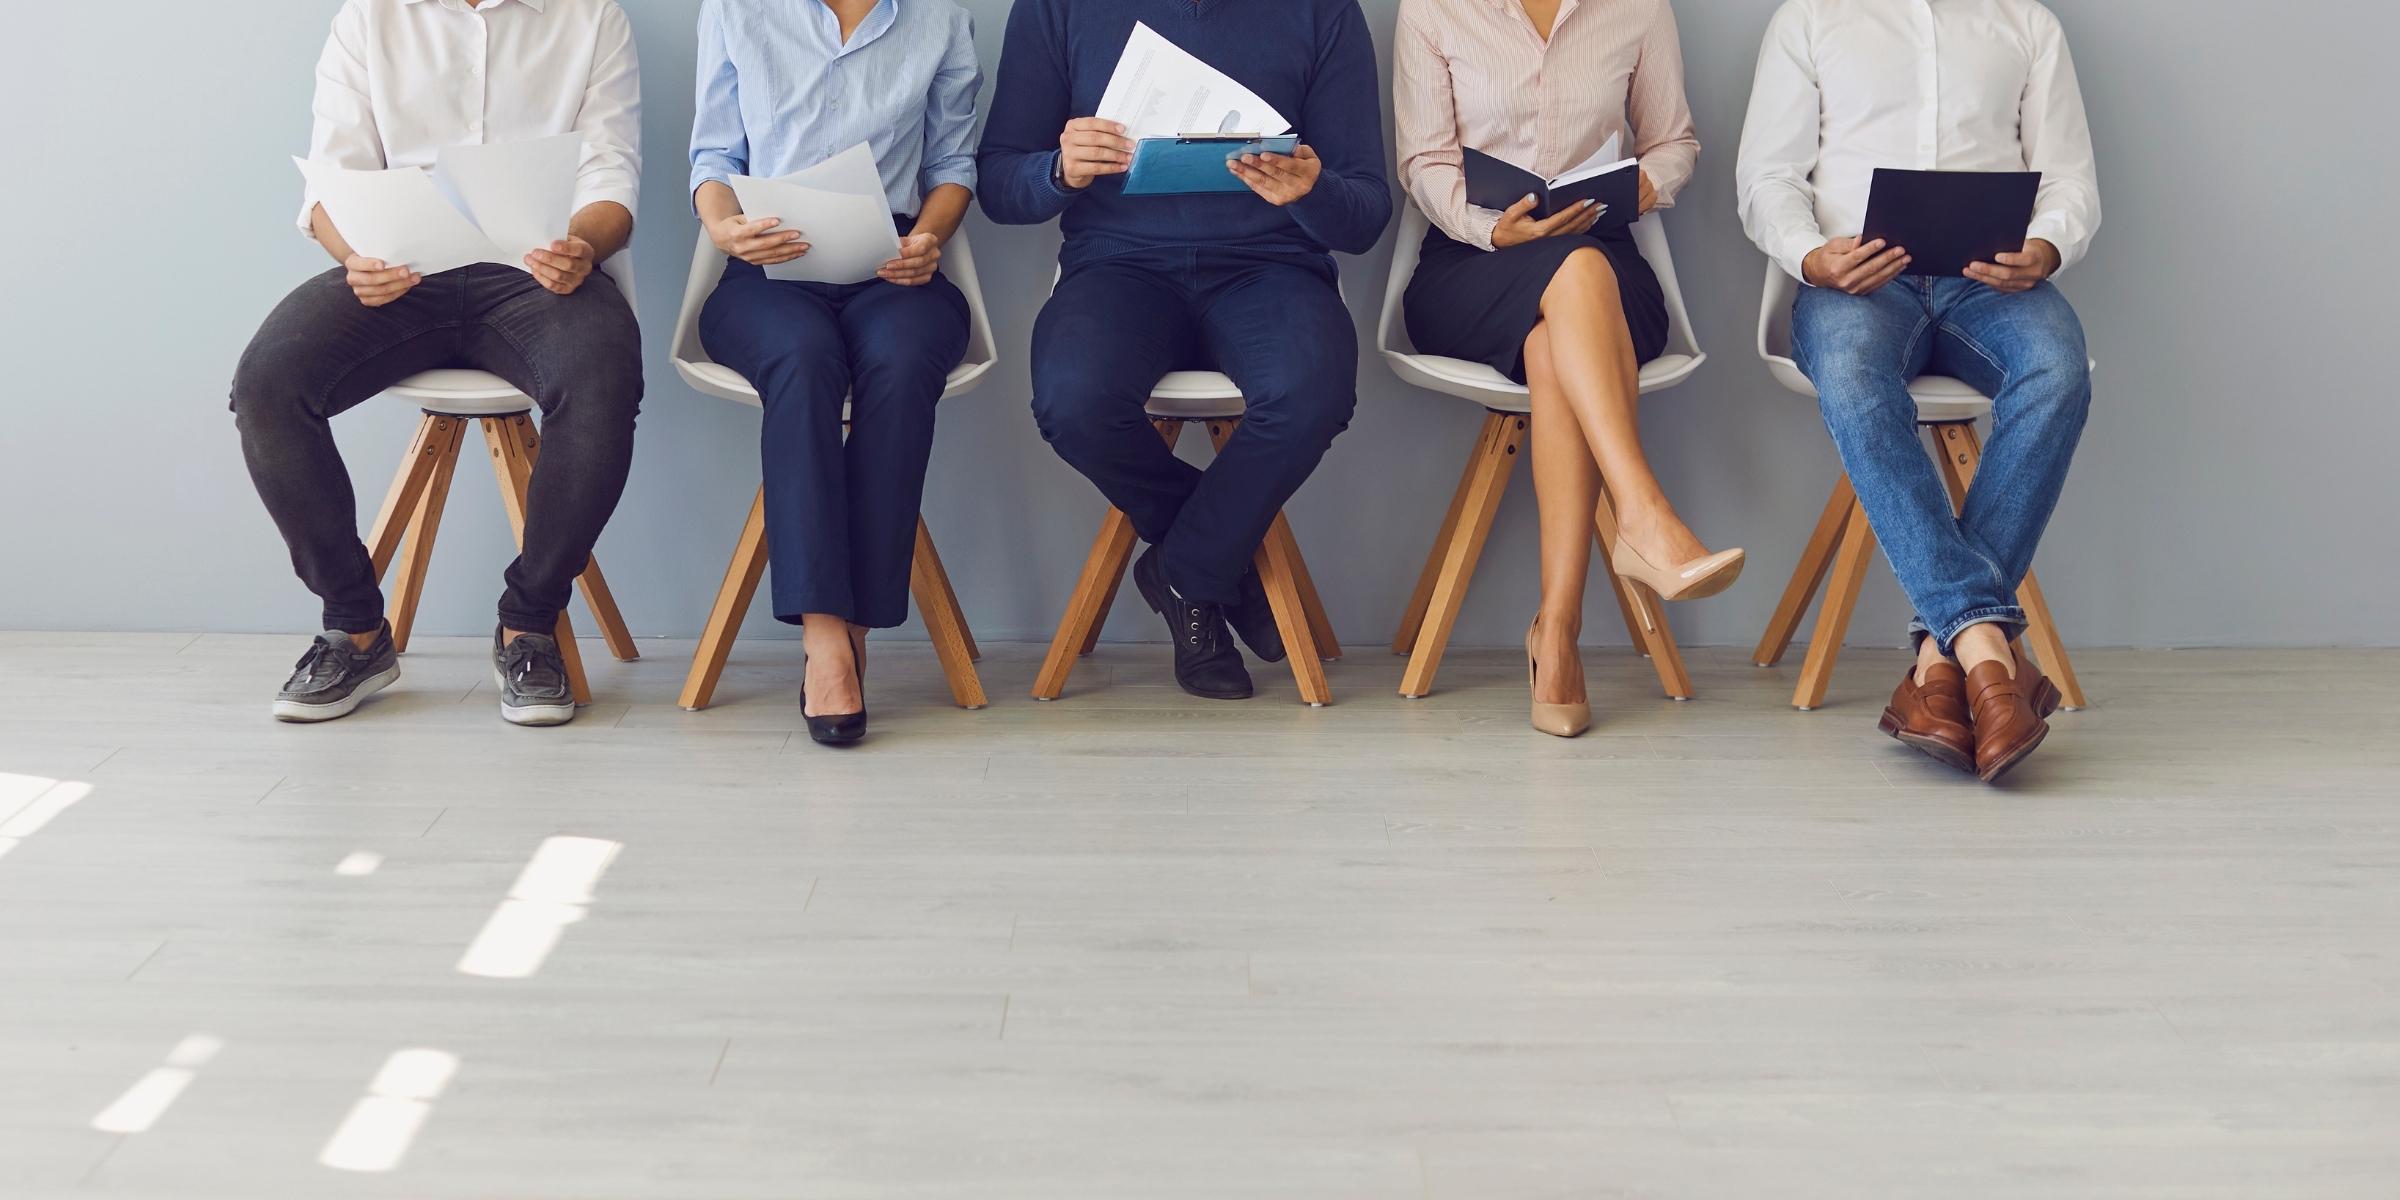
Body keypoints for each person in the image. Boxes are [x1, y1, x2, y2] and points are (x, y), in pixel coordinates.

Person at [231, 0, 643, 728]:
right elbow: (329, 178)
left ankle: (529, 626)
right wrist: (354, 258)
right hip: (399, 270)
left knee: (604, 376)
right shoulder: (369, 16)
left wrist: (581, 244)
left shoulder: (589, 14)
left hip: (538, 271)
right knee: (268, 382)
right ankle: (355, 628)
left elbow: (613, 169)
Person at [977, 0, 1392, 701]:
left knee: (1312, 391)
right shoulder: (1058, 7)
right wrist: (1059, 170)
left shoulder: (1322, 12)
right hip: (1118, 265)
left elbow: (1366, 211)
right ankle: (1222, 566)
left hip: (1271, 265)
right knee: (1072, 397)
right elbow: (998, 183)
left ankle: (1185, 573)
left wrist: (1311, 190)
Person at [1735, 0, 2101, 782]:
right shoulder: (1810, 18)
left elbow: (2070, 176)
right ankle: (1987, 653)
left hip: (1989, 285)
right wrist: (1811, 256)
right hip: (1859, 285)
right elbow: (1766, 175)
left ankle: (1945, 659)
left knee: (2058, 372)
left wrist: (2046, 245)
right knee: (1858, 385)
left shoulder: (2025, 23)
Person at [1394, 0, 1745, 739]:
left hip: (1606, 265)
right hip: (1473, 261)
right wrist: (1491, 226)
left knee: (1558, 335)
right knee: (1566, 293)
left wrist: (1647, 185)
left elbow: (1673, 141)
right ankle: (1643, 517)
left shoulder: (1638, 7)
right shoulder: (1431, 8)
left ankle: (1555, 632)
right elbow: (1423, 161)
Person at [689, 0, 981, 746]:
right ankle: (826, 638)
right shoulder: (735, 9)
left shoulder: (941, 15)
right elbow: (715, 159)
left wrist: (930, 237)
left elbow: (951, 165)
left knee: (903, 357)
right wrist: (725, 227)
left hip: (893, 270)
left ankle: (858, 627)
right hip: (765, 276)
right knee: (804, 358)